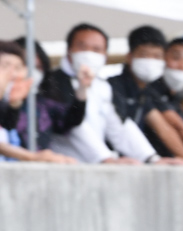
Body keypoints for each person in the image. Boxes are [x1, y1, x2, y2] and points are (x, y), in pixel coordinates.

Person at [46, 23, 153, 163]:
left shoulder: (103, 86)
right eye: (82, 47)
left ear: (105, 56)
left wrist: (151, 158)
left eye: (96, 49)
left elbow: (119, 127)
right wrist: (106, 158)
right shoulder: (52, 82)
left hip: (95, 169)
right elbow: (74, 126)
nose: (89, 53)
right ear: (69, 51)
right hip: (63, 167)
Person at [108, 26, 183, 164]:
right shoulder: (112, 87)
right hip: (109, 162)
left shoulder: (146, 92)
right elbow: (121, 128)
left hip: (134, 162)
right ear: (129, 56)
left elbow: (164, 128)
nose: (150, 61)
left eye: (156, 56)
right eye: (144, 55)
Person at [0, 42, 74, 162]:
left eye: (18, 67)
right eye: (5, 66)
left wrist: (15, 103)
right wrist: (33, 157)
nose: (12, 74)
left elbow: (8, 127)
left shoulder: (7, 104)